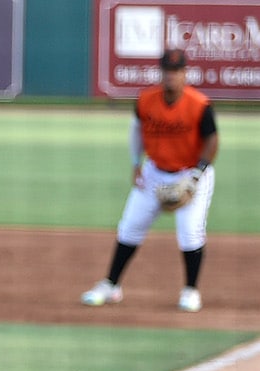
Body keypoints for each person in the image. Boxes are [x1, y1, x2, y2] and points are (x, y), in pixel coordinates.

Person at [81, 48, 218, 313]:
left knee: (190, 233)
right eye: (167, 71)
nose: (171, 76)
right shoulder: (146, 100)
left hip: (191, 174)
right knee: (129, 227)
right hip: (153, 171)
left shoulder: (199, 105)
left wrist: (196, 176)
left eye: (176, 71)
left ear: (184, 74)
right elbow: (136, 132)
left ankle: (191, 290)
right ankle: (111, 285)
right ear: (161, 72)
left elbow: (212, 142)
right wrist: (135, 164)